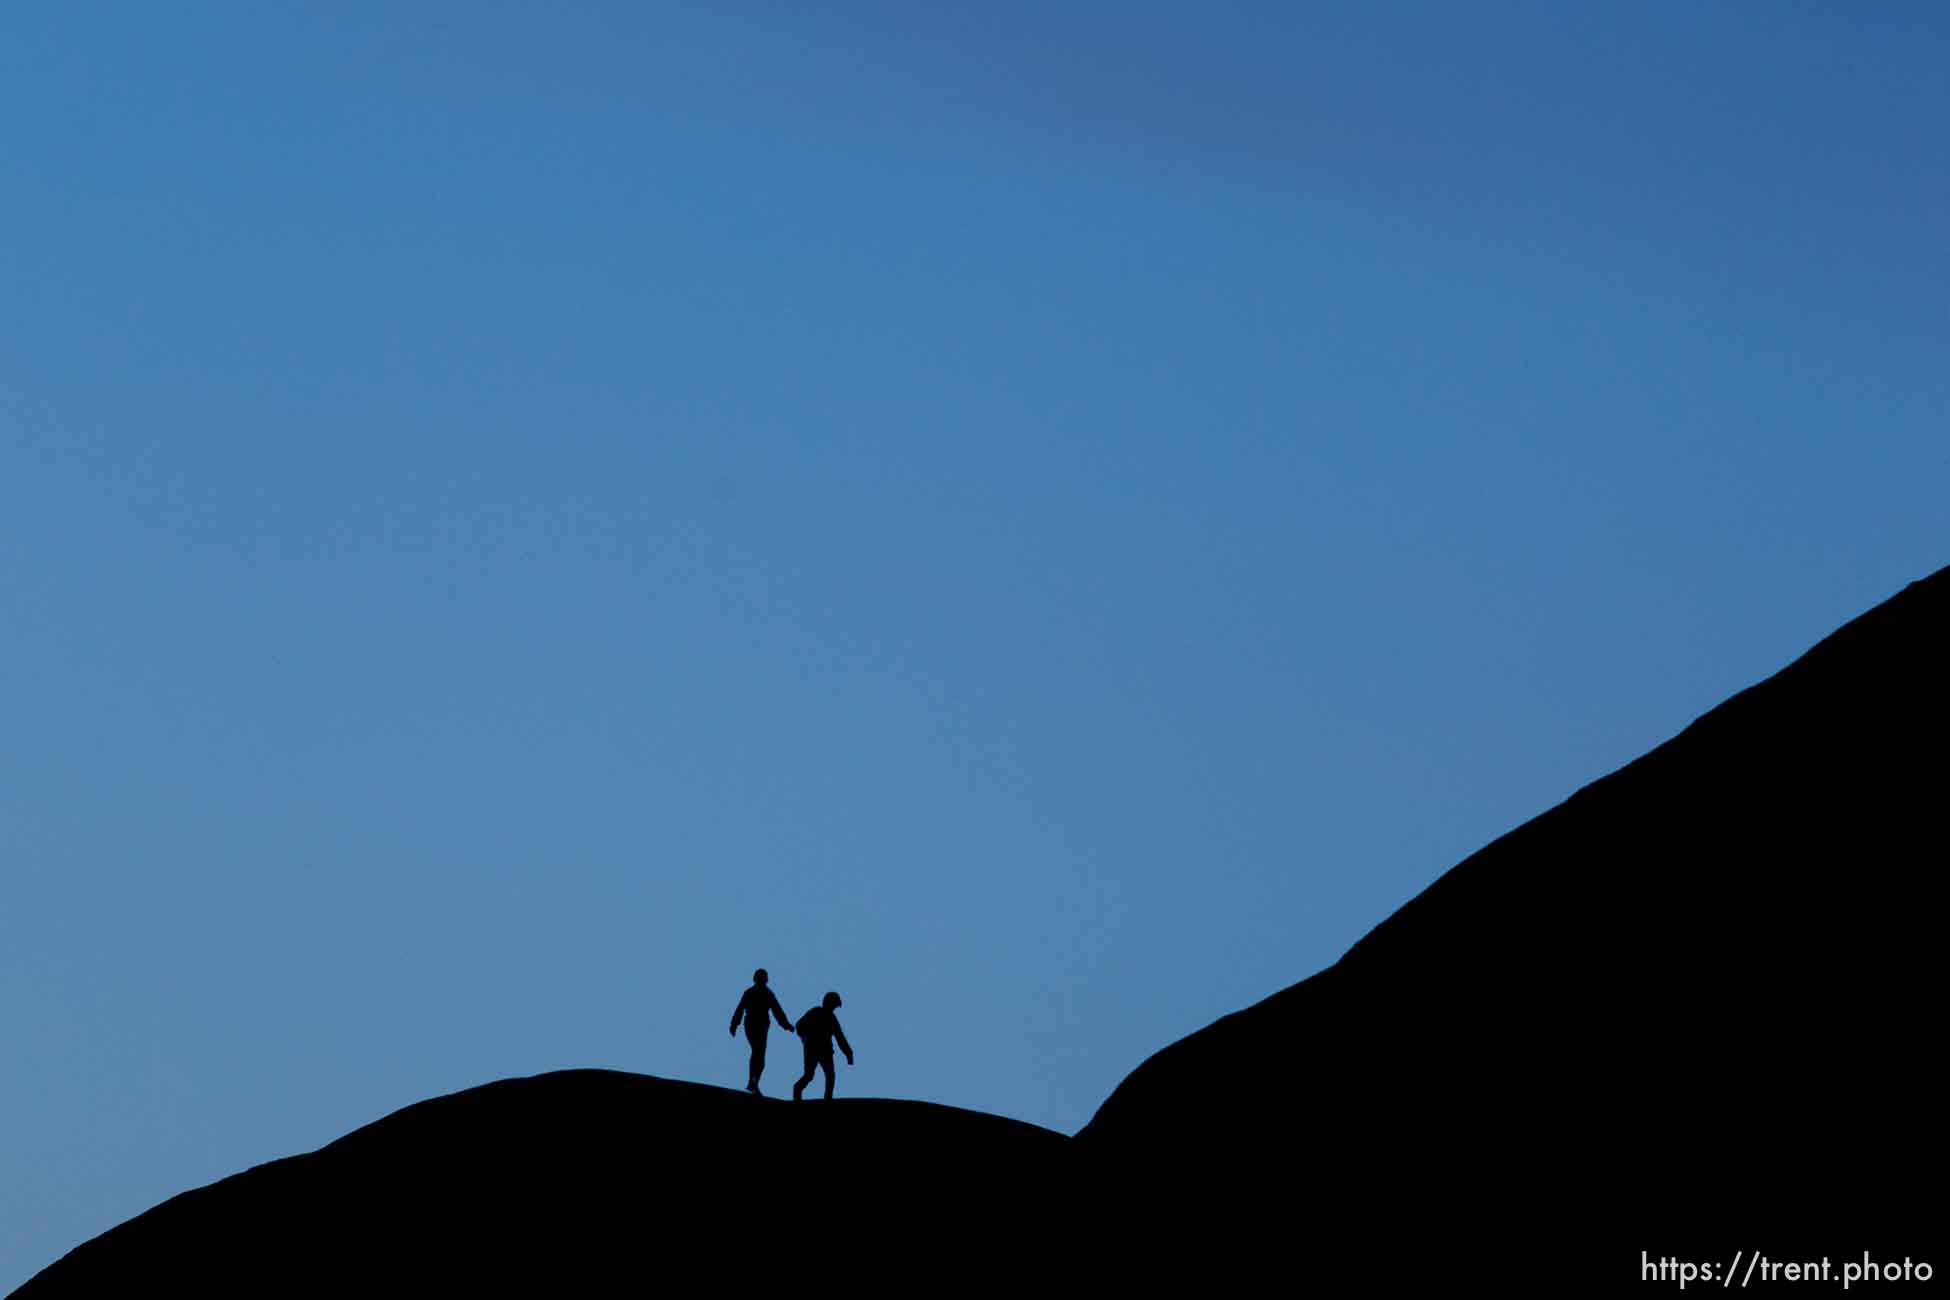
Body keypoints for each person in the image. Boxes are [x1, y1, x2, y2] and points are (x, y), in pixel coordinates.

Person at [729, 968, 793, 1095]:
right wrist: (734, 1024)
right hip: (753, 1024)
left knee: (759, 1054)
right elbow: (740, 1009)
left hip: (761, 1025)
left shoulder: (765, 993)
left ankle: (753, 1082)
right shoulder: (753, 992)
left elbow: (777, 1011)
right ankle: (753, 1082)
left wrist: (786, 1025)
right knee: (758, 1052)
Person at [792, 991, 853, 1101]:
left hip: (822, 1050)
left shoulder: (830, 1017)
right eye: (834, 1004)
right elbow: (799, 1026)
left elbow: (840, 1038)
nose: (835, 1007)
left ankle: (827, 1098)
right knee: (813, 1075)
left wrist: (848, 1053)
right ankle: (798, 1091)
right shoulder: (817, 1012)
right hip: (815, 1049)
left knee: (828, 1076)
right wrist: (806, 1038)